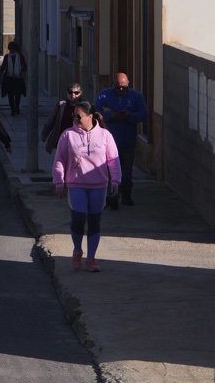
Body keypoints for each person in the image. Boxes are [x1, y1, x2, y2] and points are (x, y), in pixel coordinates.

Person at [53, 101, 121, 272]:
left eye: (79, 116)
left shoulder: (105, 135)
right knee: (78, 219)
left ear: (90, 116)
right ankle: (77, 250)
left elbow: (113, 159)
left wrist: (115, 180)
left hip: (99, 185)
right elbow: (60, 159)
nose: (75, 119)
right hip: (76, 184)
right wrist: (59, 181)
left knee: (94, 222)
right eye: (73, 116)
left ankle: (91, 258)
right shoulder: (68, 135)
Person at [95, 73, 148, 207]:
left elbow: (143, 113)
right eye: (118, 87)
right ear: (113, 84)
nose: (121, 90)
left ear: (128, 84)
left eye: (124, 87)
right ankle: (112, 195)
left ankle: (126, 194)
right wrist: (109, 115)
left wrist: (129, 116)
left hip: (128, 140)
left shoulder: (136, 96)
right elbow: (96, 111)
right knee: (110, 168)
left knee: (127, 169)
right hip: (109, 140)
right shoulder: (104, 94)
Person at [42, 83, 83, 154]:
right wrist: (44, 135)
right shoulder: (62, 105)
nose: (73, 95)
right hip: (63, 139)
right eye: (70, 92)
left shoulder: (84, 105)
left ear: (80, 93)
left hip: (79, 140)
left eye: (76, 93)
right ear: (67, 93)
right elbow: (51, 120)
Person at [0, 41, 28, 115]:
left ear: (16, 49)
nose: (12, 50)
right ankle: (12, 109)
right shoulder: (7, 57)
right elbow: (3, 68)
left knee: (18, 94)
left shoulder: (20, 56)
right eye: (10, 48)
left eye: (13, 48)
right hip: (9, 78)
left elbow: (24, 66)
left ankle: (17, 107)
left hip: (18, 78)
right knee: (10, 95)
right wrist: (0, 78)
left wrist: (24, 76)